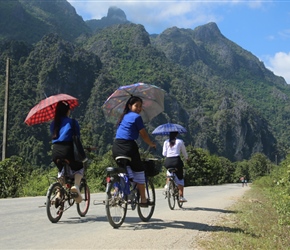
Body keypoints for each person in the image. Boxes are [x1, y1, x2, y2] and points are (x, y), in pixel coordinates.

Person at [112, 96, 156, 207]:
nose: (139, 108)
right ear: (129, 106)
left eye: (140, 106)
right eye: (136, 105)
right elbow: (143, 134)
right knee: (139, 171)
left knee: (123, 169)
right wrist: (151, 144)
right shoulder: (136, 117)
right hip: (129, 147)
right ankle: (143, 200)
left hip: (116, 147)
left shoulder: (123, 117)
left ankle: (116, 192)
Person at [50, 101, 84, 203]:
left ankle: (58, 193)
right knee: (79, 167)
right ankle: (76, 187)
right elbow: (77, 137)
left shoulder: (53, 124)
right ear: (67, 111)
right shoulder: (72, 122)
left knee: (61, 171)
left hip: (55, 151)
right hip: (67, 150)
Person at [163, 131, 188, 202]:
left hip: (168, 161)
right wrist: (187, 158)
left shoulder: (166, 142)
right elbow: (184, 152)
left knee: (169, 172)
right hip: (176, 161)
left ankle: (167, 186)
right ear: (177, 134)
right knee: (180, 178)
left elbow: (164, 154)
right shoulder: (180, 141)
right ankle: (181, 196)